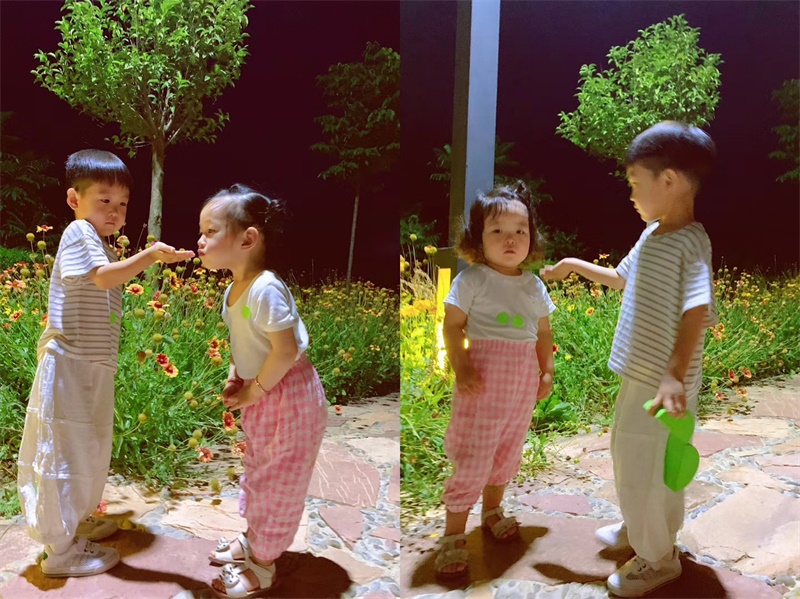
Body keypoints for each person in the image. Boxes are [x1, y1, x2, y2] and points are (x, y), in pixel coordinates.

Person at [541, 121, 717, 597]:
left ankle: (658, 557)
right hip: (641, 374)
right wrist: (573, 267)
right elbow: (621, 278)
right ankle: (640, 527)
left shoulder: (691, 243)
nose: (632, 194)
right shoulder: (653, 233)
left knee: (650, 466)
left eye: (636, 182)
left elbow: (697, 309)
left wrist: (674, 376)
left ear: (669, 180)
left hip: (663, 386)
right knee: (631, 454)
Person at [17, 149, 194, 577]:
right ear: (74, 199)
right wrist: (150, 255)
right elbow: (102, 278)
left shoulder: (98, 242)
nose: (115, 211)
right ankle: (60, 552)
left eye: (123, 203)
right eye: (104, 200)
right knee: (66, 452)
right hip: (71, 364)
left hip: (90, 365)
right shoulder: (79, 232)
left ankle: (75, 522)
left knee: (87, 448)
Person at [198, 184, 327, 597]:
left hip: (288, 396)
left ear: (247, 239)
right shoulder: (235, 289)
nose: (200, 240)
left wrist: (254, 390)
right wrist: (236, 375)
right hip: (266, 390)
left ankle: (265, 564)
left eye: (210, 231)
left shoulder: (264, 288)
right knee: (259, 471)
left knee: (279, 479)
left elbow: (285, 350)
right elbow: (246, 342)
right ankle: (255, 540)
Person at [435, 181, 555, 579]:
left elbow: (543, 333)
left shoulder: (533, 285)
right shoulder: (473, 280)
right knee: (475, 454)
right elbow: (453, 326)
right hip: (483, 383)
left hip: (520, 385)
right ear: (477, 239)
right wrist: (462, 366)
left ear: (531, 237)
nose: (510, 239)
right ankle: (454, 534)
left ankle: (492, 510)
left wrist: (547, 370)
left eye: (520, 230)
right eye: (498, 231)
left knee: (508, 449)